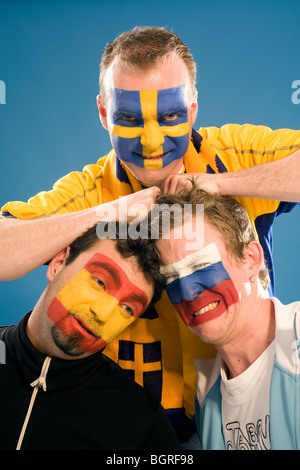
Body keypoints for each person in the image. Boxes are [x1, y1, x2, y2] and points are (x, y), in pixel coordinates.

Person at [0, 25, 299, 442]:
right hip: (125, 427)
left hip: (245, 397)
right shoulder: (88, 191)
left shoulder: (229, 154)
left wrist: (222, 184)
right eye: (129, 118)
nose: (153, 141)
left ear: (193, 109)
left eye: (171, 116)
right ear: (104, 114)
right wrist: (105, 213)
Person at [0, 221, 180, 450]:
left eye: (127, 308)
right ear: (58, 263)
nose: (103, 314)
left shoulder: (143, 423)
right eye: (99, 282)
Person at [154, 185, 300, 450]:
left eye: (200, 265)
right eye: (171, 278)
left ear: (251, 259)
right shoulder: (206, 397)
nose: (187, 291)